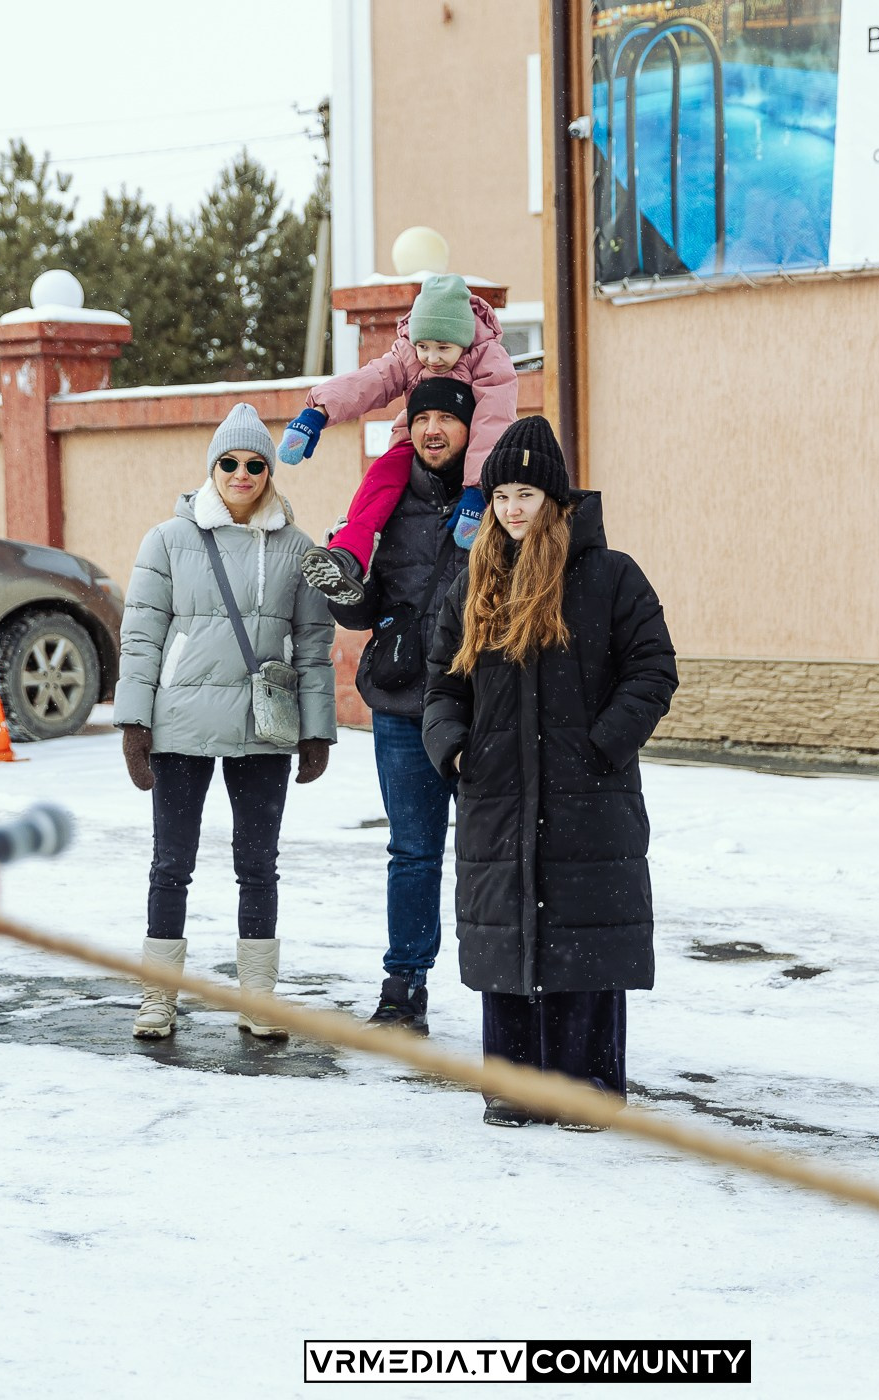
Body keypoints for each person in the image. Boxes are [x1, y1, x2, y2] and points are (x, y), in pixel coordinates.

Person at [423, 416, 677, 1127]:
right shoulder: (472, 584)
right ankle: (514, 1084)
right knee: (506, 933)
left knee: (582, 937)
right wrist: (457, 750)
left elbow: (653, 670)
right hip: (496, 793)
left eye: (526, 493)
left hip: (587, 793)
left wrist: (601, 746)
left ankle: (585, 1085)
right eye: (500, 494)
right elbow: (442, 686)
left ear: (556, 499)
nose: (511, 508)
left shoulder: (610, 575)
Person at [114, 404, 338, 1040]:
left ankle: (258, 1000)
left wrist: (316, 729)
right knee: (171, 865)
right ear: (211, 467)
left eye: (255, 463)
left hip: (262, 729)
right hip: (180, 724)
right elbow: (141, 637)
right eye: (229, 462)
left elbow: (313, 643)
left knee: (258, 865)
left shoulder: (298, 548)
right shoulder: (167, 539)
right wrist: (135, 723)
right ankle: (159, 999)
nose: (242, 473)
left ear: (270, 470)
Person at [326, 377, 483, 1032]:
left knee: (487, 852)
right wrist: (345, 589)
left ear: (472, 430)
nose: (433, 430)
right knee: (414, 850)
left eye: (448, 418)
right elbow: (369, 606)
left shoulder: (493, 503)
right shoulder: (384, 500)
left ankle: (504, 980)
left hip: (479, 704)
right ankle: (404, 986)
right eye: (423, 419)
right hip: (403, 701)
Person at [280, 274, 519, 603]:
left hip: (473, 446)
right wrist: (317, 413)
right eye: (424, 347)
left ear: (463, 340)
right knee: (380, 478)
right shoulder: (407, 354)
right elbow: (370, 381)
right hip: (415, 440)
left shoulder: (487, 357)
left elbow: (495, 419)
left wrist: (478, 490)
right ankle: (349, 554)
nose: (431, 358)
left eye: (443, 348)